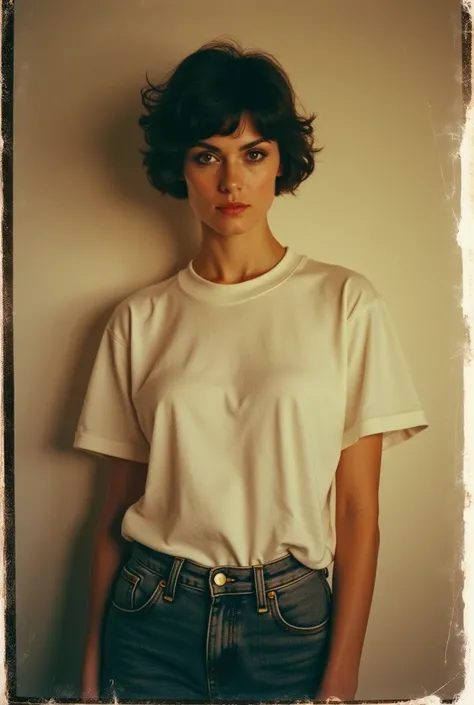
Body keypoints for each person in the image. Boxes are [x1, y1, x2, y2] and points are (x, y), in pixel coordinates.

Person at [75, 38, 428, 703]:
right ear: (180, 167)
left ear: (279, 165)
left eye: (253, 154)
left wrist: (341, 679)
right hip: (151, 614)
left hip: (289, 624)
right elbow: (109, 515)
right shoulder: (138, 319)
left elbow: (357, 513)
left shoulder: (345, 302)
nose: (231, 182)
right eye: (207, 155)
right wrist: (90, 672)